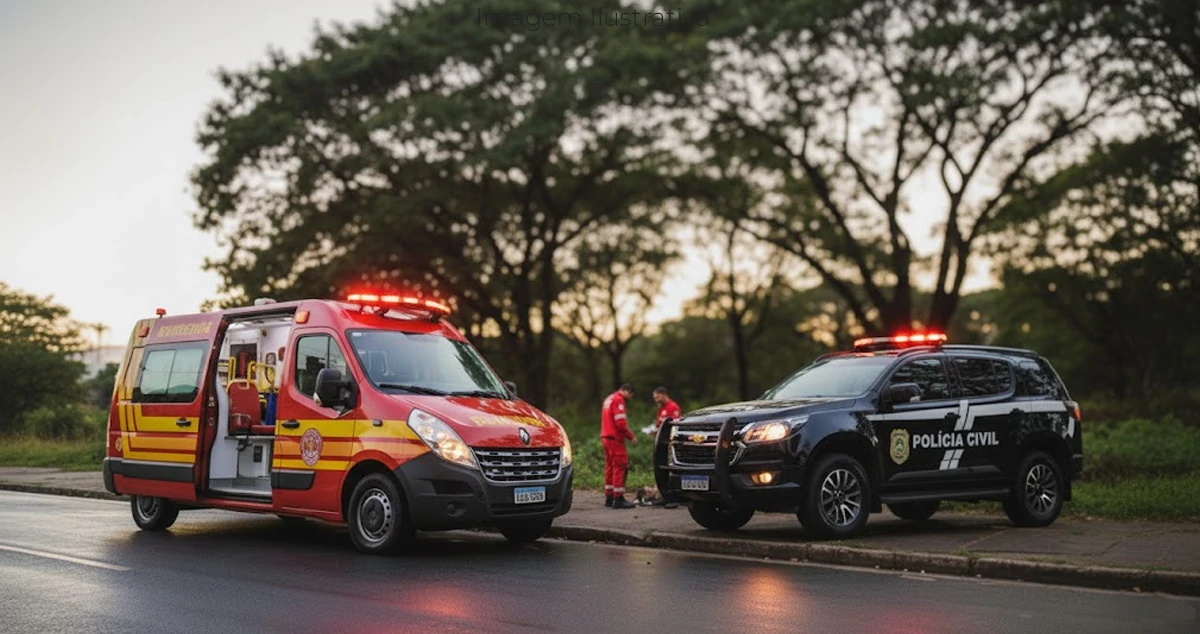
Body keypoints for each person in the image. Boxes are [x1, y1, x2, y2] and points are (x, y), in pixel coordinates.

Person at [601, 383, 637, 509]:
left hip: (605, 437)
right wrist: (631, 436)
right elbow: (620, 423)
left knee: (610, 466)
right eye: (631, 395)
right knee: (620, 465)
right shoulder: (618, 400)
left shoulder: (609, 398)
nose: (630, 398)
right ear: (627, 392)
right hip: (615, 438)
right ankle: (618, 498)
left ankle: (609, 497)